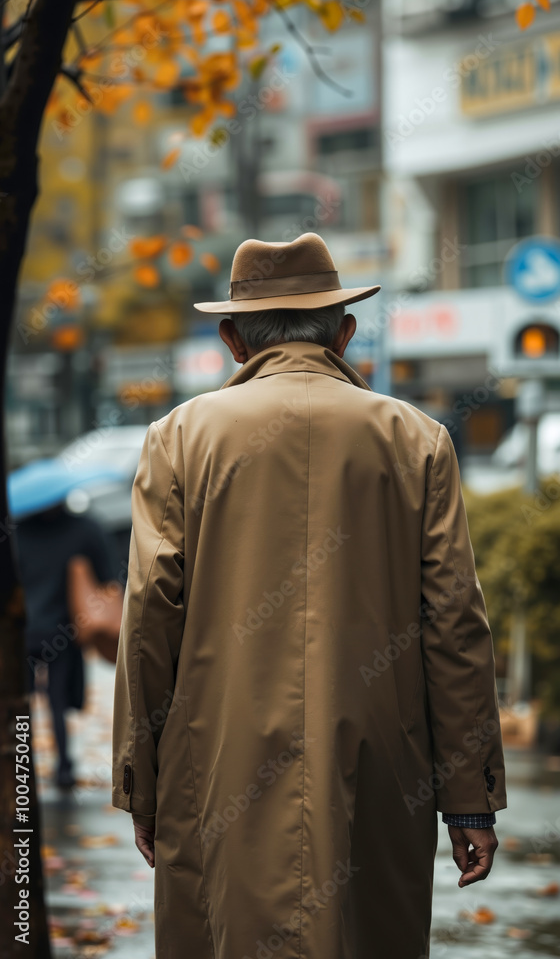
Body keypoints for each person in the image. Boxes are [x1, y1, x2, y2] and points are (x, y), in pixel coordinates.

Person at [112, 232, 506, 959]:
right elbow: (454, 623)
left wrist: (141, 778)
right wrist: (469, 797)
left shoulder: (179, 439)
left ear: (234, 339)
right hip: (382, 764)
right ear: (345, 333)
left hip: (216, 763)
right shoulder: (416, 440)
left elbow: (148, 620)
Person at [16, 503, 116, 788]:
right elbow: (108, 573)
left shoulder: (19, 531)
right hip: (63, 630)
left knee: (21, 704)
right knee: (57, 701)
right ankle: (64, 768)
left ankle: (22, 769)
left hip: (23, 631)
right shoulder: (84, 528)